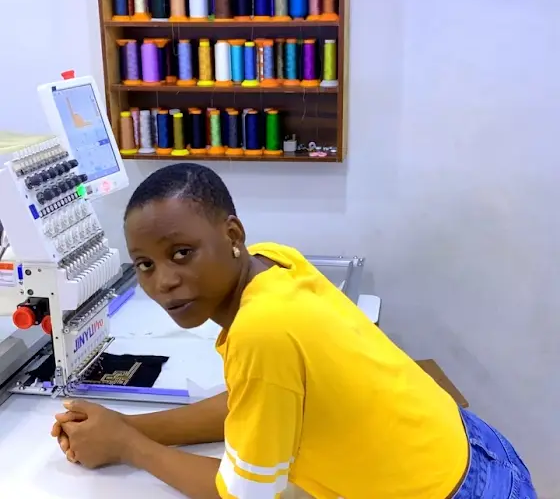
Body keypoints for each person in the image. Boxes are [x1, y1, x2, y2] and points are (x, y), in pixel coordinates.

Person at [51, 163, 537, 499]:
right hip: (476, 449)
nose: (164, 281)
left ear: (232, 236)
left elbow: (243, 495)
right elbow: (253, 401)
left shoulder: (261, 330)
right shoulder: (275, 263)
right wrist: (124, 426)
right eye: (144, 264)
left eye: (182, 253)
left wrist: (129, 448)